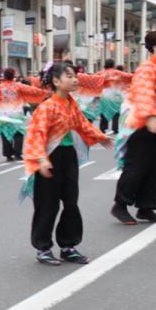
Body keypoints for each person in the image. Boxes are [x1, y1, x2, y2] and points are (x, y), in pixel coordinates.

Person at [22, 61, 113, 266]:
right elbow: (36, 135)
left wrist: (100, 137)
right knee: (48, 204)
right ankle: (43, 248)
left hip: (68, 155)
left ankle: (68, 246)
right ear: (56, 81)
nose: (75, 80)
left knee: (71, 202)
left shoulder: (71, 103)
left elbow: (82, 124)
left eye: (75, 76)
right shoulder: (46, 107)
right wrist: (41, 159)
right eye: (69, 76)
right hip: (50, 158)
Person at [112, 30, 156, 225]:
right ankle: (120, 205)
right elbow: (143, 93)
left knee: (154, 169)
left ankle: (146, 208)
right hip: (140, 124)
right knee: (136, 167)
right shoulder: (147, 69)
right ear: (155, 47)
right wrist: (150, 116)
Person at [0, 68, 46, 161]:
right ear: (13, 76)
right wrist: (45, 92)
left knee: (5, 133)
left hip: (3, 112)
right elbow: (32, 90)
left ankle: (8, 155)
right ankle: (18, 154)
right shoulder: (18, 86)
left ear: (4, 76)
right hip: (16, 112)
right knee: (18, 133)